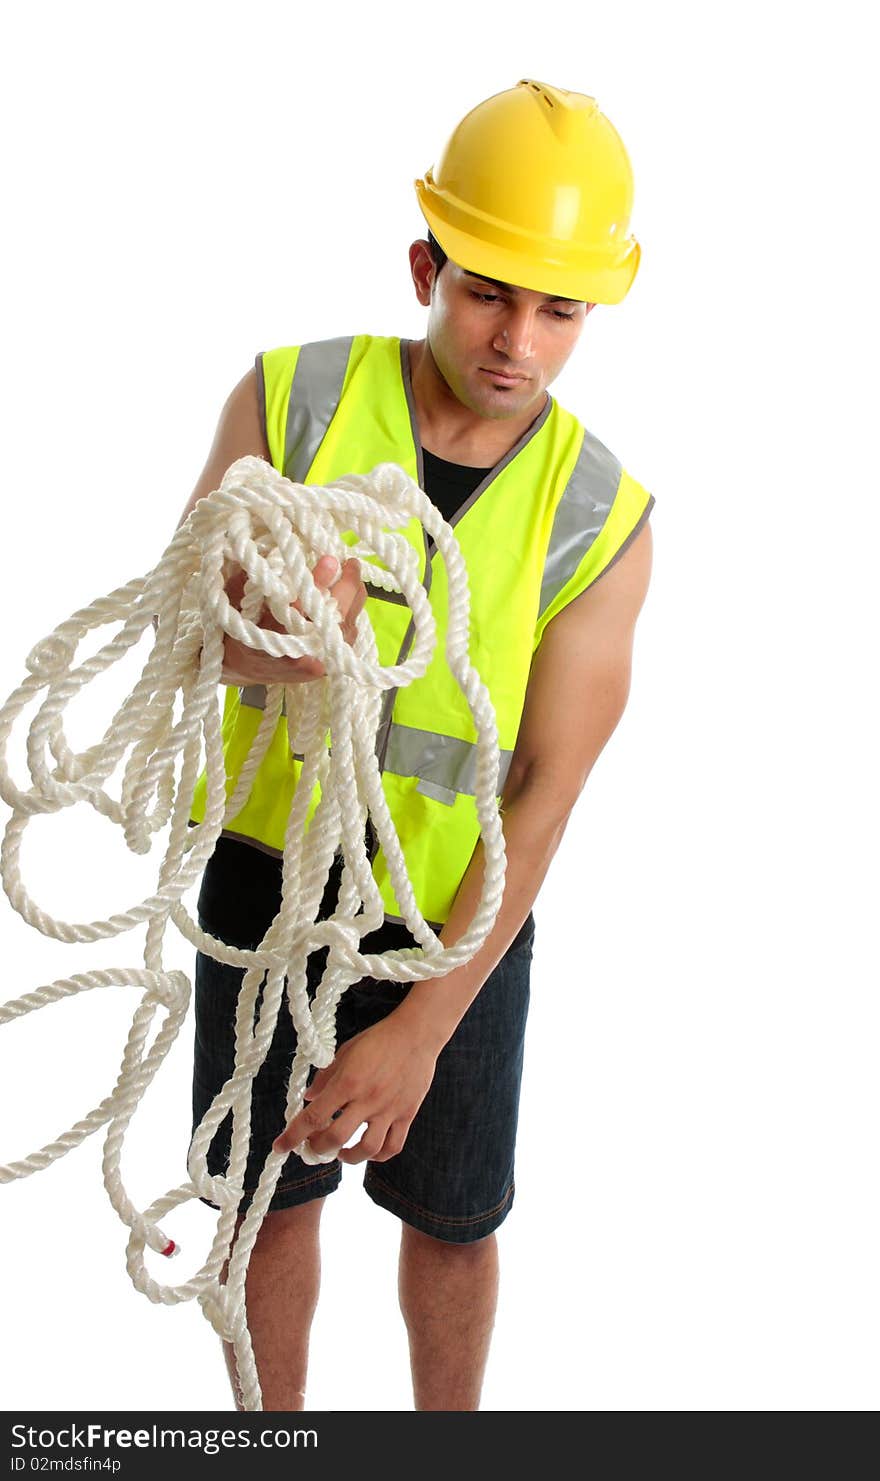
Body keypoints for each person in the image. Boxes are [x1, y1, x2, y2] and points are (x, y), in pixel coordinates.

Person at [177, 79, 655, 1411]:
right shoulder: (293, 401)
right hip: (268, 885)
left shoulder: (599, 512)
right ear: (426, 266)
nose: (519, 338)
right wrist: (292, 643)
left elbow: (549, 790)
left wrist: (426, 1032)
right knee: (269, 1198)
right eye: (490, 290)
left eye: (560, 309)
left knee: (452, 1221)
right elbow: (189, 631)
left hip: (459, 915)